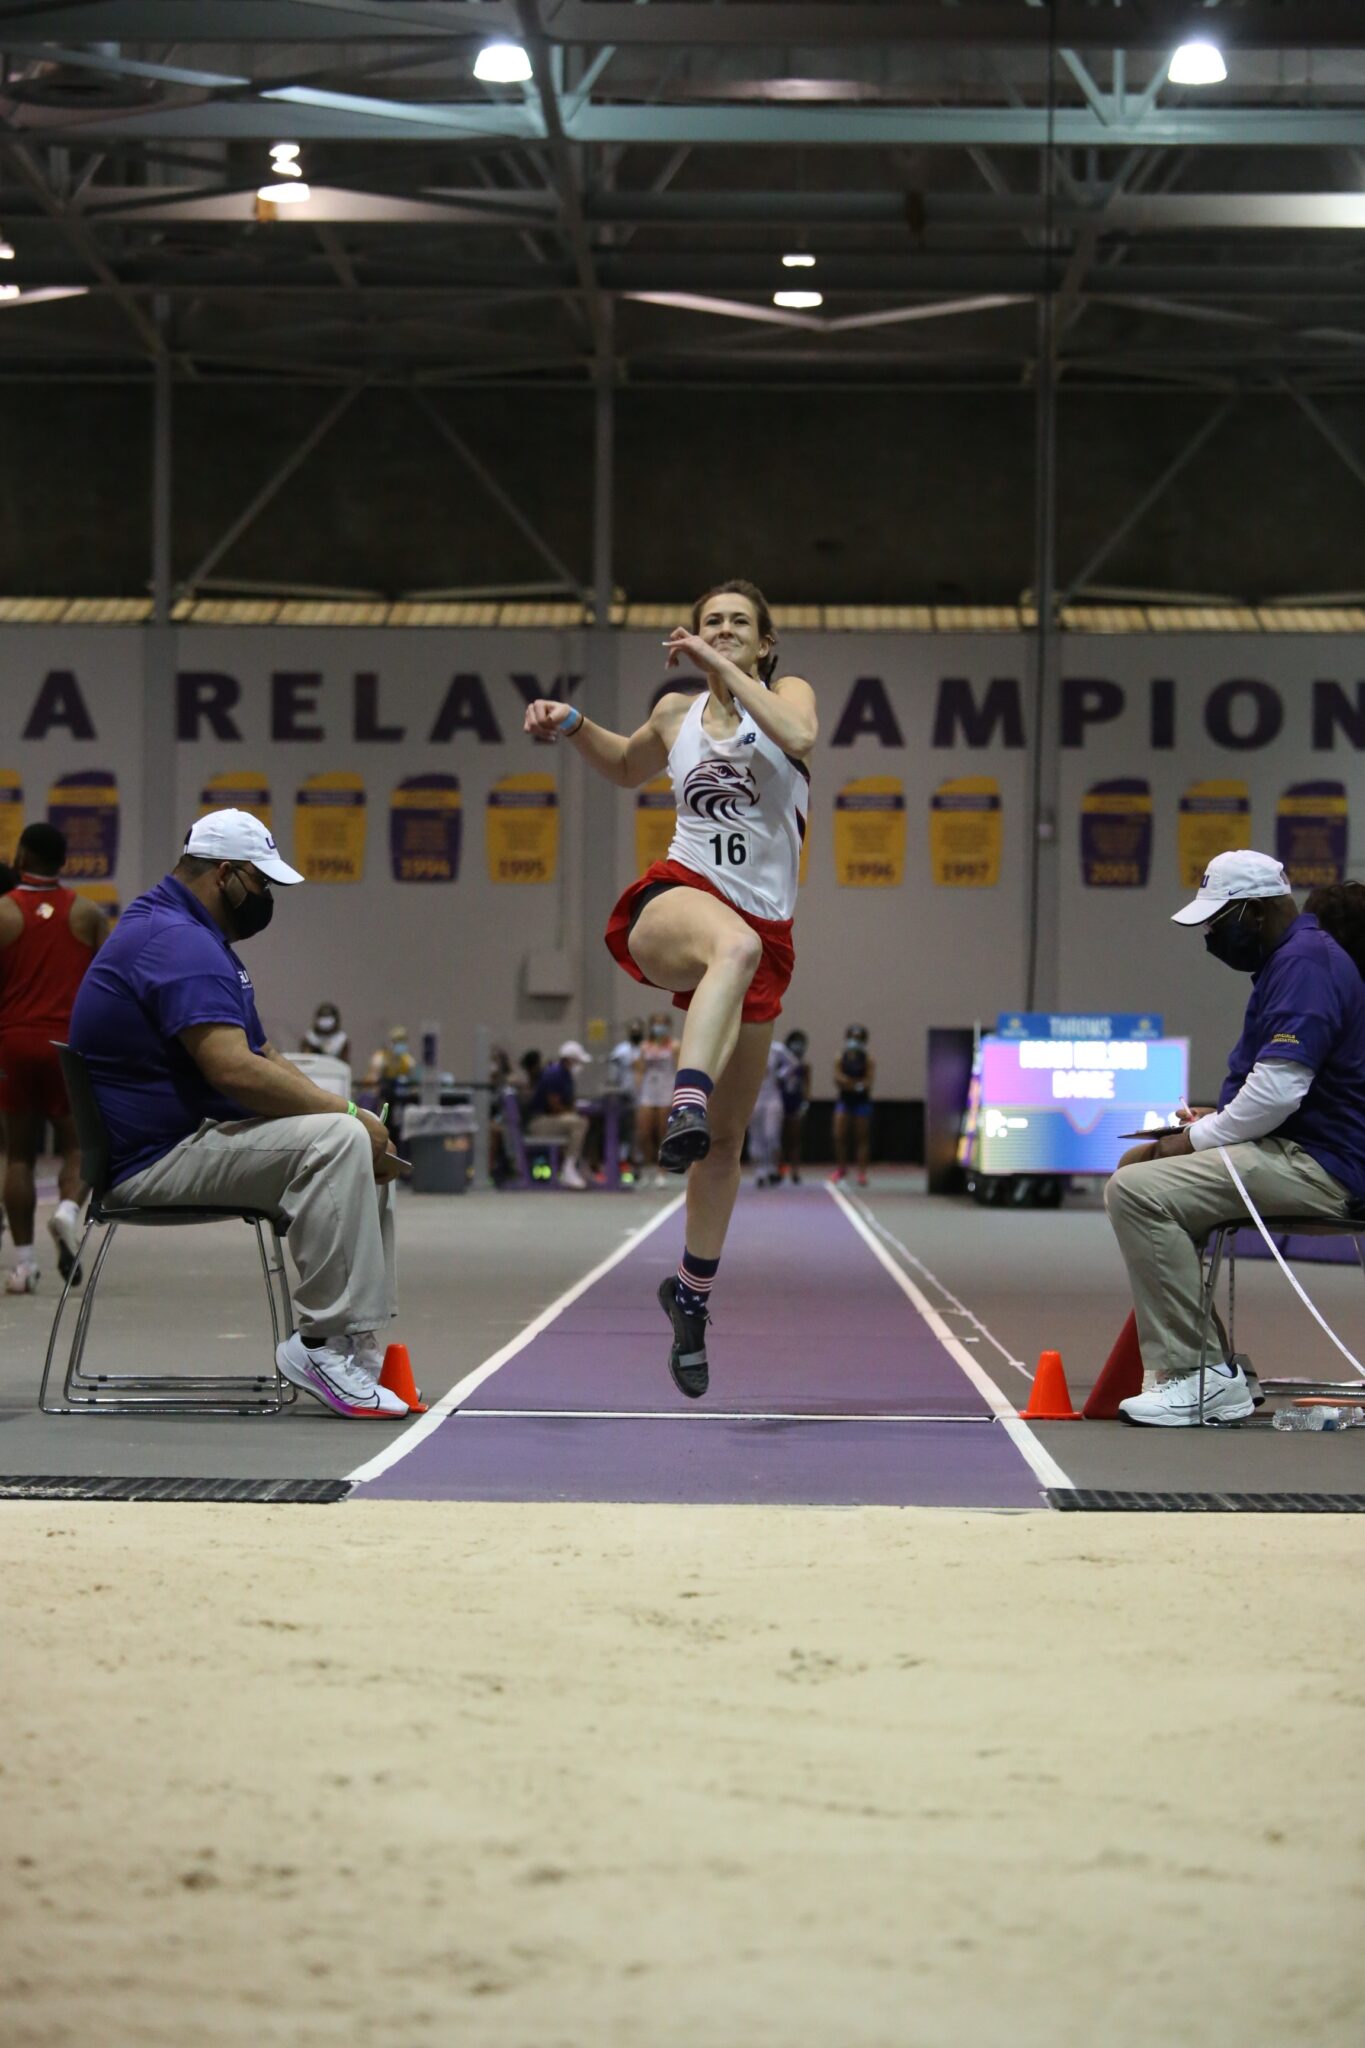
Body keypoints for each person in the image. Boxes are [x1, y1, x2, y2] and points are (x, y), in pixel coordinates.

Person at [523, 578, 816, 1397]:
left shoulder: (785, 697)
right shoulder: (673, 714)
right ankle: (685, 1094)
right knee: (729, 943)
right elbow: (623, 765)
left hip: (765, 939)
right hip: (677, 900)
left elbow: (797, 731)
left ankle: (690, 1294)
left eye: (738, 625)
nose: (721, 630)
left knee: (724, 1148)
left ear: (763, 645)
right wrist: (571, 722)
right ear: (688, 636)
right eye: (709, 621)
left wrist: (726, 675)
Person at [68, 809, 411, 1420]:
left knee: (359, 1146)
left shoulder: (191, 935)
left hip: (191, 1139)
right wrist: (349, 1114)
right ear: (225, 874)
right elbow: (232, 1070)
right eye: (262, 883)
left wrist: (356, 1117)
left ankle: (353, 1345)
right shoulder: (173, 941)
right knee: (337, 1139)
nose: (267, 898)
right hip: (154, 1161)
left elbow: (264, 1054)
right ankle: (320, 1344)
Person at [1105, 849, 1365, 1427]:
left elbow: (1276, 1095)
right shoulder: (1290, 962)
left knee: (1137, 1190)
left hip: (1321, 1168)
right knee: (1134, 1164)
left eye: (1218, 922)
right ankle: (1216, 1368)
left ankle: (1200, 1374)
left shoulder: (1305, 964)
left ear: (1257, 910)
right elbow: (1275, 1092)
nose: (1210, 937)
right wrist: (1213, 1119)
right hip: (1296, 1150)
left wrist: (1195, 1142)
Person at [0, 822, 108, 1293]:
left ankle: (24, 1267)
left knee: (19, 1154)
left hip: (14, 1043)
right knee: (81, 1146)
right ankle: (67, 1211)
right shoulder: (88, 914)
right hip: (67, 1044)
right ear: (64, 862)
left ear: (21, 854)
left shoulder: (2, 912)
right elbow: (109, 987)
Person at [526, 1039, 591, 1190]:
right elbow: (554, 1106)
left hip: (551, 1120)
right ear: (569, 1060)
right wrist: (572, 1112)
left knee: (582, 1122)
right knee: (578, 1123)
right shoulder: (554, 1074)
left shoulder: (566, 1075)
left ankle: (578, 1166)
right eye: (578, 1062)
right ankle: (568, 1168)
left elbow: (569, 1101)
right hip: (540, 1124)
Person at [635, 1012, 679, 1187]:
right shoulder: (645, 1046)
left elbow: (679, 1067)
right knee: (644, 1133)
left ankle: (662, 1172)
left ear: (667, 1026)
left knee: (662, 1132)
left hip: (666, 1090)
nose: (659, 1027)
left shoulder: (674, 1046)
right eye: (656, 1023)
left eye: (662, 1023)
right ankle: (648, 1168)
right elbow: (640, 1069)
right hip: (648, 1090)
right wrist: (637, 1089)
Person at [746, 1035, 795, 1188]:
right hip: (754, 1097)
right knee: (756, 1137)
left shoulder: (776, 1048)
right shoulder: (747, 1049)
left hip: (773, 1097)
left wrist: (781, 1075)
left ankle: (772, 1168)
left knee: (772, 1136)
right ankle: (760, 1172)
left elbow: (793, 1063)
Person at [831, 1024, 875, 1188]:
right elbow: (837, 1078)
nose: (854, 1041)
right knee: (839, 1135)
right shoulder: (840, 1057)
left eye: (858, 1038)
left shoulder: (868, 1059)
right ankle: (841, 1169)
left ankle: (862, 1173)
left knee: (861, 1138)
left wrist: (850, 1084)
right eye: (852, 1037)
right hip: (844, 1101)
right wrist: (854, 1084)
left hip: (861, 1103)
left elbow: (868, 1082)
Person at [606, 1017, 645, 1181]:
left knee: (639, 1133)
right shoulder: (620, 1051)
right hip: (624, 1096)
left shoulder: (646, 1049)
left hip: (643, 1097)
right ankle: (621, 1161)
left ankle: (637, 1162)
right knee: (625, 1132)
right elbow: (613, 1074)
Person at [778, 1027, 812, 1182]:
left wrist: (805, 1103)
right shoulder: (780, 1063)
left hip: (796, 1103)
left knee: (795, 1139)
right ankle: (780, 1169)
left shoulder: (804, 1066)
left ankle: (795, 1170)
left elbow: (806, 1086)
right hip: (780, 1102)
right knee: (779, 1138)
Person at [301, 1000, 351, 1066]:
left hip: (334, 1071)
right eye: (323, 1017)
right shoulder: (310, 1038)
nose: (325, 1022)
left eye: (328, 1018)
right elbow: (305, 1060)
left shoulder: (341, 1039)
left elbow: (344, 1063)